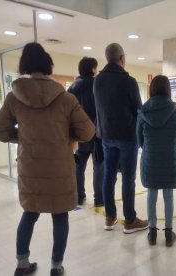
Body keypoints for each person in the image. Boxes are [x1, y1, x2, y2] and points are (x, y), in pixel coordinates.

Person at [0, 42, 95, 276]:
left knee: (30, 213)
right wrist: (67, 135)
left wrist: (23, 137)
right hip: (60, 165)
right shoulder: (65, 99)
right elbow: (88, 131)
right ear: (49, 65)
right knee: (60, 215)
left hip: (31, 166)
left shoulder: (14, 98)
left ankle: (22, 263)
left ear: (24, 66)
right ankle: (56, 267)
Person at [93, 43, 148, 233]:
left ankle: (110, 217)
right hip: (127, 136)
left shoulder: (97, 80)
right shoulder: (129, 82)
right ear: (122, 59)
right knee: (128, 177)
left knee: (109, 175)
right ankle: (130, 220)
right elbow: (139, 110)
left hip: (106, 136)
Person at [137, 75, 176, 247]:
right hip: (169, 158)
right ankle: (169, 233)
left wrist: (150, 148)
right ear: (168, 90)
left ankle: (152, 232)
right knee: (168, 194)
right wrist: (170, 147)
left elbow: (139, 140)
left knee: (151, 193)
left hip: (150, 158)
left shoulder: (143, 111)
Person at [68, 57, 104, 207]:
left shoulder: (72, 87)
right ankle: (99, 199)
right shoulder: (97, 84)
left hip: (79, 134)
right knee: (99, 166)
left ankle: (79, 197)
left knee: (78, 167)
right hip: (96, 133)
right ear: (92, 69)